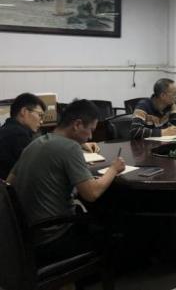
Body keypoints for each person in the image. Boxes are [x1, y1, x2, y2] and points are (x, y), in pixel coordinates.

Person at [7, 99, 126, 264]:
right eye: (90, 130)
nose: (91, 136)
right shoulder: (70, 147)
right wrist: (113, 169)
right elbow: (91, 193)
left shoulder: (35, 142)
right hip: (54, 238)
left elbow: (9, 182)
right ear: (77, 124)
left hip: (24, 235)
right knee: (115, 231)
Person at [0, 93, 100, 180]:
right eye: (40, 115)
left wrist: (81, 144)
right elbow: (39, 165)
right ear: (24, 112)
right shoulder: (17, 134)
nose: (41, 121)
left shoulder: (9, 129)